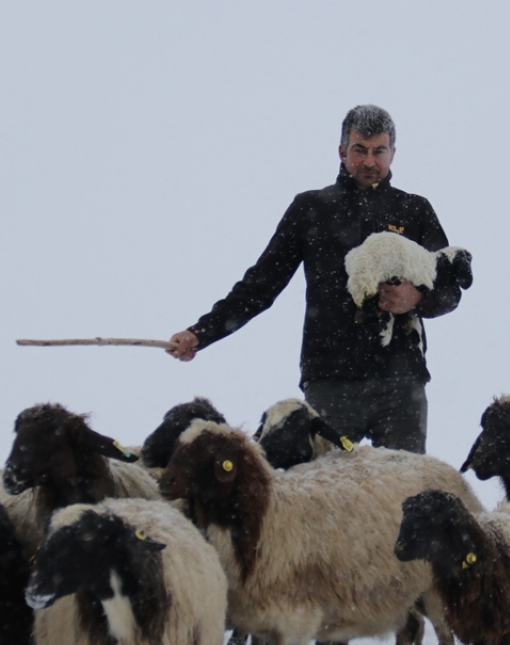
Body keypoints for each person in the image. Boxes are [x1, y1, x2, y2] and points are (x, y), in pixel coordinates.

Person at [168, 105, 463, 454]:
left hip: (401, 383)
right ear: (342, 151)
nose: (369, 162)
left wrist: (417, 299)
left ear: (393, 154)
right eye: (359, 150)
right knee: (322, 499)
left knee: (404, 499)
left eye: (379, 152)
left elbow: (450, 289)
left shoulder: (415, 210)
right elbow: (261, 285)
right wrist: (202, 333)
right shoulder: (311, 208)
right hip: (330, 380)